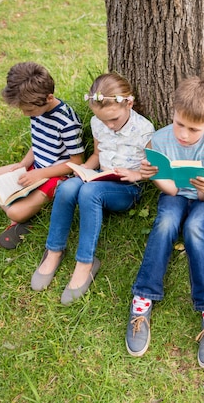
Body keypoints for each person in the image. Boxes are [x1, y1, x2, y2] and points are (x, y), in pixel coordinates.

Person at [126, 77, 204, 369]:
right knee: (166, 223)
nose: (183, 135)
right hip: (175, 193)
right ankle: (142, 299)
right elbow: (170, 190)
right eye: (179, 124)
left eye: (193, 129)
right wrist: (153, 174)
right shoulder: (160, 139)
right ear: (173, 113)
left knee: (195, 229)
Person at [30, 73, 155, 305]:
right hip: (99, 176)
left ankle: (85, 263)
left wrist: (136, 174)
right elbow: (97, 156)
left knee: (89, 192)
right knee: (68, 188)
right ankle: (54, 250)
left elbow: (151, 170)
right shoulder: (98, 122)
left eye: (114, 120)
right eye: (103, 120)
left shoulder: (145, 129)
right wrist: (83, 171)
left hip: (126, 188)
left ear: (129, 103)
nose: (109, 125)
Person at [0, 62, 85, 249]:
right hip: (36, 168)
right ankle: (21, 203)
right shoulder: (37, 110)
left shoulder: (67, 122)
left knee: (15, 214)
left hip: (56, 177)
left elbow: (77, 162)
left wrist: (41, 174)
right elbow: (38, 142)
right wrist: (23, 164)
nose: (25, 114)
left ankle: (22, 215)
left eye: (28, 111)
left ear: (49, 97)